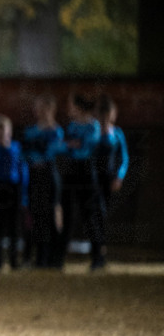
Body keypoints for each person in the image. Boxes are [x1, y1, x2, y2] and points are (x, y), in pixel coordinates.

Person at [58, 93, 105, 270]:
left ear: (78, 107)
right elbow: (64, 146)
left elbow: (85, 148)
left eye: (71, 105)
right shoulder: (71, 126)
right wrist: (72, 145)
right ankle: (59, 256)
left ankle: (97, 257)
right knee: (67, 214)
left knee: (90, 215)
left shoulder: (93, 125)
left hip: (86, 173)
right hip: (71, 172)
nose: (68, 109)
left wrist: (73, 145)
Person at [20, 94, 64, 268]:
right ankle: (30, 257)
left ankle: (48, 257)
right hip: (33, 177)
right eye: (37, 108)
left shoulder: (56, 131)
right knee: (33, 216)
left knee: (49, 215)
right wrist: (34, 159)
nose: (39, 111)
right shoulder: (31, 131)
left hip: (49, 177)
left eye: (43, 108)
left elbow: (51, 152)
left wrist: (38, 158)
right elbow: (24, 153)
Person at [0, 115, 28, 272]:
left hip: (13, 188)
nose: (2, 133)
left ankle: (14, 260)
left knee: (14, 227)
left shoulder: (16, 148)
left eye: (5, 129)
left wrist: (23, 196)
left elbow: (23, 171)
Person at [94, 95, 129, 266]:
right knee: (95, 214)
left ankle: (101, 251)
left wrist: (119, 176)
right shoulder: (93, 131)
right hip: (93, 179)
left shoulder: (117, 133)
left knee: (103, 213)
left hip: (108, 178)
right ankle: (96, 251)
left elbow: (124, 158)